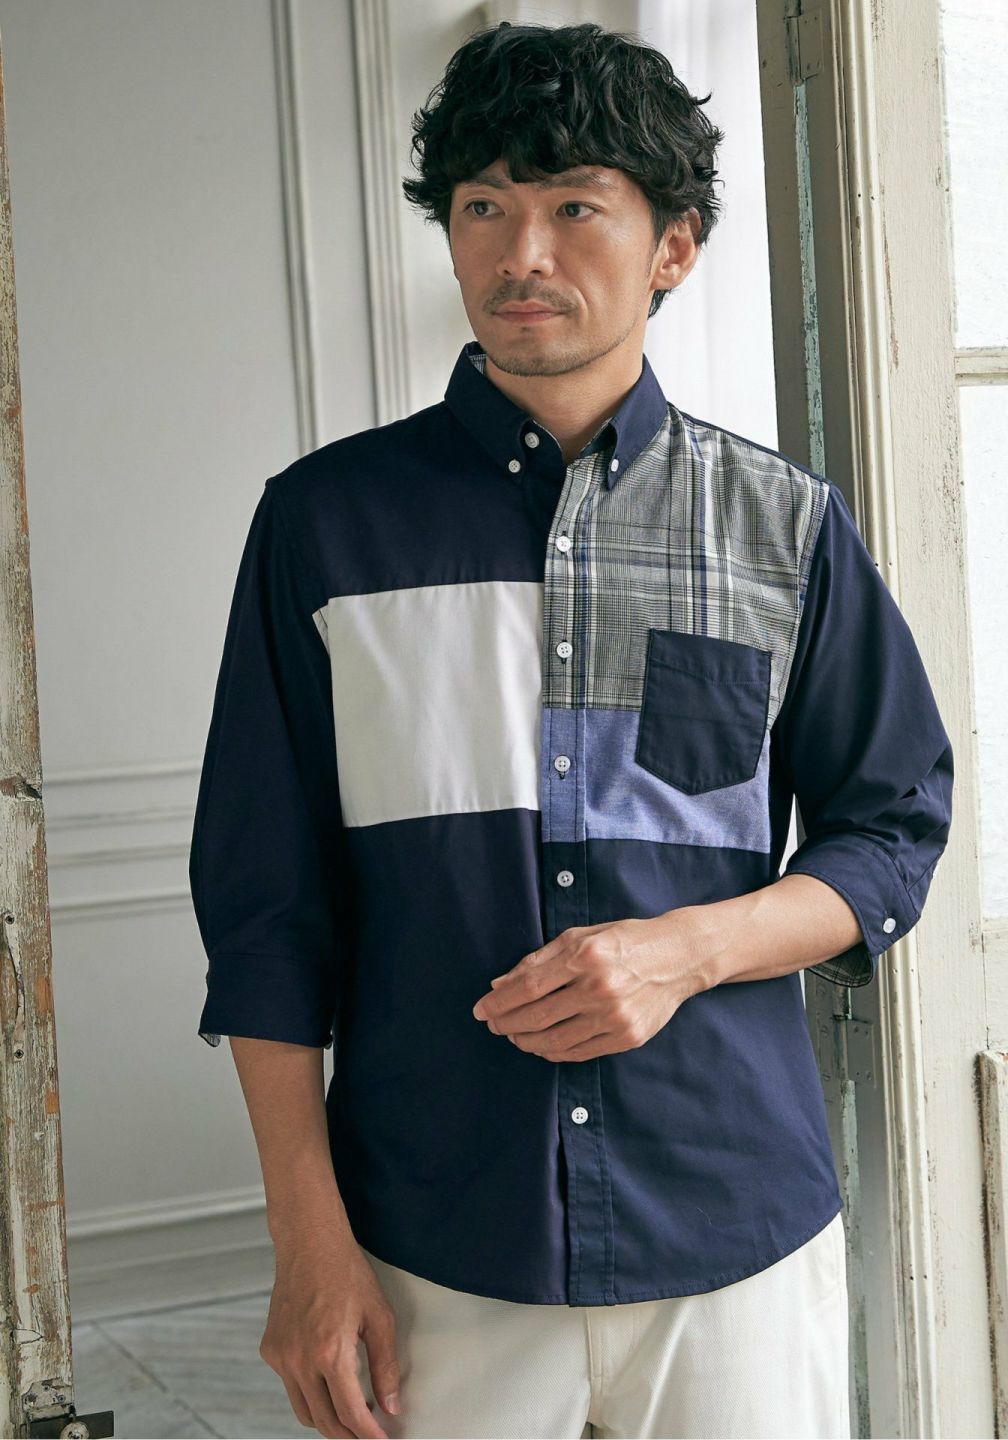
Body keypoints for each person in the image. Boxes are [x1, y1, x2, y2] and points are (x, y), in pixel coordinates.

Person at [189, 19, 954, 1440]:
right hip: (434, 1234)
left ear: (675, 247)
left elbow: (892, 832)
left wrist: (689, 948)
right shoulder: (321, 527)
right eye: (484, 207)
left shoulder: (783, 527)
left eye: (575, 208)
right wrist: (308, 1246)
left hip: (731, 1220)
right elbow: (263, 908)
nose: (521, 253)